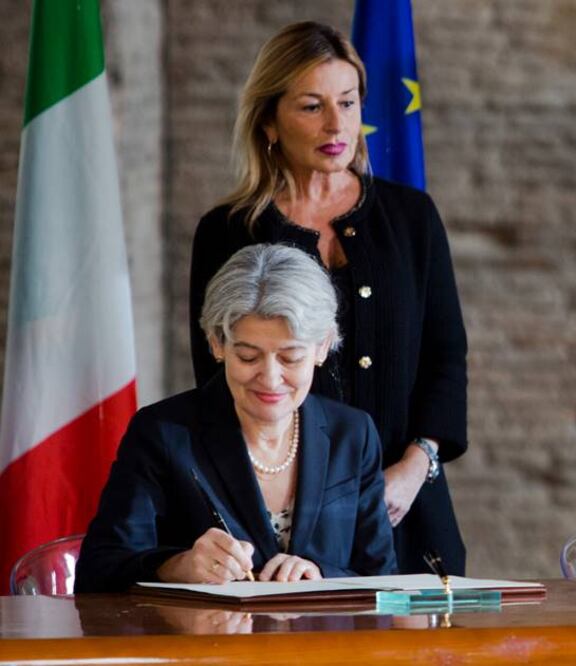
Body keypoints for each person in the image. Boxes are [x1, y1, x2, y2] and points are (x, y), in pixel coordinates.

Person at [188, 22, 468, 574]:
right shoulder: (228, 231)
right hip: (281, 519)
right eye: (312, 106)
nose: (337, 124)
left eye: (348, 101)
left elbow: (445, 355)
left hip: (408, 505)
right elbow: (219, 377)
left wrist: (416, 465)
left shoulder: (412, 218)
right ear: (270, 119)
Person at [76, 244, 396, 593]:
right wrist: (178, 567)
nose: (270, 378)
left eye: (290, 358)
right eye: (248, 357)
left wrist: (320, 576)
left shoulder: (352, 433)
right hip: (204, 643)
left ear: (322, 347)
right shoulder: (164, 433)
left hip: (322, 644)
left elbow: (385, 580)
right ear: (217, 343)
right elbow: (97, 572)